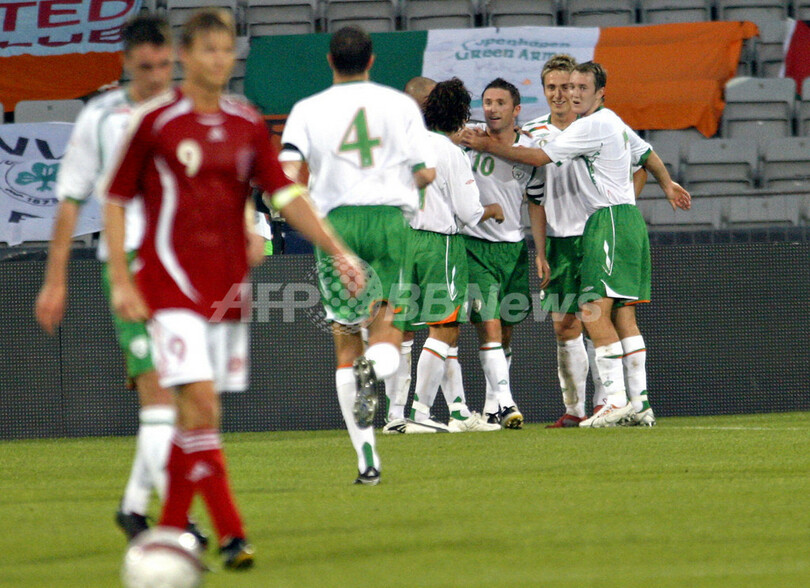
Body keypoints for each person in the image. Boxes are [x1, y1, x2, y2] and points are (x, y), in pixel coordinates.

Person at [101, 8, 362, 569]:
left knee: (202, 417)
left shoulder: (246, 122)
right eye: (208, 50)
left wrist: (337, 248)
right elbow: (116, 198)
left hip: (226, 290)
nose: (219, 60)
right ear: (185, 56)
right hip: (168, 285)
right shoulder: (156, 122)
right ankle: (231, 535)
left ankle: (171, 530)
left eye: (226, 50)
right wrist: (121, 279)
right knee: (198, 403)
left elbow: (283, 194)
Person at [33, 14, 208, 542]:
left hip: (181, 267)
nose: (156, 76)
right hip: (128, 264)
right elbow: (70, 201)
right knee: (159, 393)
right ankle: (178, 520)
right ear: (128, 62)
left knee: (179, 397)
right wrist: (55, 280)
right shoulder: (101, 117)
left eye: (163, 65)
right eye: (145, 66)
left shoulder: (188, 111)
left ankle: (134, 507)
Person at [463, 61, 691, 428]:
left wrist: (624, 203)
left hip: (600, 227)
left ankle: (612, 402)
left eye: (573, 87)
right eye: (555, 87)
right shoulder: (550, 129)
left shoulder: (588, 125)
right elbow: (644, 154)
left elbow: (546, 158)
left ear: (595, 92)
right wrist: (666, 185)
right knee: (586, 322)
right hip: (571, 236)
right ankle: (607, 406)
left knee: (596, 313)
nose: (564, 93)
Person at [279, 26, 436, 481]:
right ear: (371, 60)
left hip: (337, 226)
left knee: (346, 339)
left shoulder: (307, 109)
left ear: (330, 60)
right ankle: (377, 367)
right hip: (388, 222)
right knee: (387, 327)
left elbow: (286, 172)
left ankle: (368, 461)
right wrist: (398, 184)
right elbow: (426, 171)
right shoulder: (400, 105)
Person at [399, 78, 504, 434]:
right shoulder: (451, 153)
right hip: (440, 244)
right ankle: (419, 412)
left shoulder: (409, 145)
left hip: (407, 240)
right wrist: (493, 209)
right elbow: (470, 212)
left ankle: (457, 412)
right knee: (444, 329)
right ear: (460, 117)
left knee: (434, 330)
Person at [461, 78, 543, 429]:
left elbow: (536, 200)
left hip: (512, 247)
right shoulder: (468, 137)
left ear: (516, 109)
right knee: (490, 326)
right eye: (487, 102)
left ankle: (492, 405)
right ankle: (507, 403)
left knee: (506, 331)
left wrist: (540, 251)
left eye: (500, 103)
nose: (492, 109)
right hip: (473, 244)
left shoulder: (530, 148)